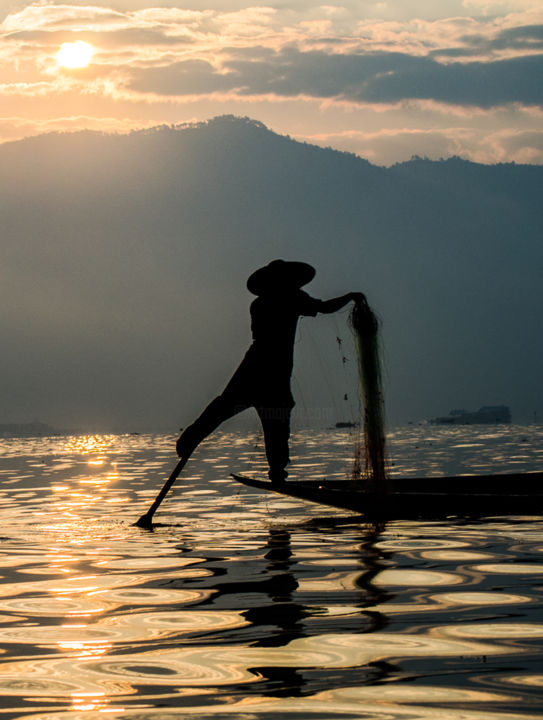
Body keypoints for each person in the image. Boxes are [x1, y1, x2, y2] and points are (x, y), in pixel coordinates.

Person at [176, 260, 366, 483]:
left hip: (258, 368)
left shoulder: (265, 302)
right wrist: (351, 296)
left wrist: (347, 297)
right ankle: (272, 469)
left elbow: (320, 307)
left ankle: (194, 439)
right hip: (268, 371)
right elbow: (324, 307)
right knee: (270, 419)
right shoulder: (289, 299)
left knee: (236, 409)